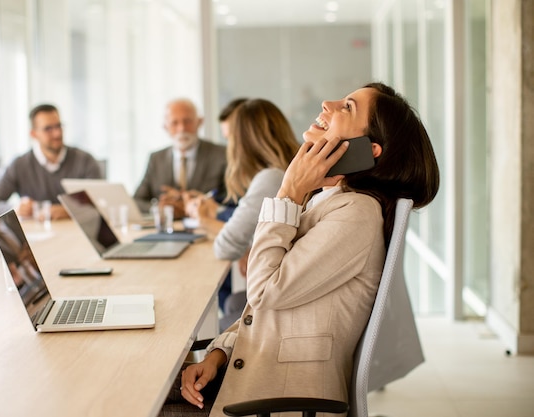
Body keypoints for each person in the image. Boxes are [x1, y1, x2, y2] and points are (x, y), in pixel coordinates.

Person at [160, 82, 440, 416]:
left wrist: (289, 191)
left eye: (347, 107)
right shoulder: (330, 199)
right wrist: (218, 353)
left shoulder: (356, 215)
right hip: (251, 376)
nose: (327, 103)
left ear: (369, 149)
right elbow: (265, 314)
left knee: (139, 393)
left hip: (271, 401)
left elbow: (263, 291)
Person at [185, 98, 299, 331]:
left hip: (279, 302)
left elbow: (226, 246)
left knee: (191, 330)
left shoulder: (271, 178)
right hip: (282, 290)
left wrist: (205, 220)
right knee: (230, 301)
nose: (229, 149)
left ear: (244, 142)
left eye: (230, 140)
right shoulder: (285, 172)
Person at [0, 104, 102, 220]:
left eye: (59, 126)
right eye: (48, 129)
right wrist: (15, 208)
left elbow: (101, 202)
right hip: (35, 236)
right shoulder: (19, 165)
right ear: (34, 134)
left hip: (75, 236)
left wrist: (68, 210)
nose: (57, 133)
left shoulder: (85, 161)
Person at [133, 98, 227, 218]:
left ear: (199, 122)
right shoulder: (156, 159)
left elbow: (232, 201)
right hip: (166, 231)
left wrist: (193, 203)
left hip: (208, 229)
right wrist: (160, 209)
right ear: (165, 127)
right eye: (174, 123)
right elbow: (137, 201)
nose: (182, 128)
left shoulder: (221, 155)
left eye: (187, 121)